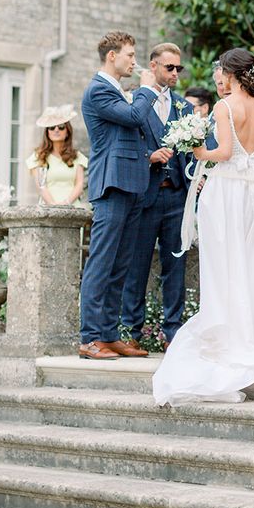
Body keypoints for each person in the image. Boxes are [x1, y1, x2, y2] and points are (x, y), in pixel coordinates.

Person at [151, 48, 254, 406]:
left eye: (222, 74)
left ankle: (235, 334)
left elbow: (224, 152)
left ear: (230, 74)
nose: (221, 80)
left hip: (228, 191)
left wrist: (199, 152)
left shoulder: (225, 107)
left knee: (228, 263)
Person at [79, 31, 155, 360]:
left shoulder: (119, 91)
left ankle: (109, 335)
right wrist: (148, 88)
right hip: (111, 184)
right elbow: (135, 117)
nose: (134, 61)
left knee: (120, 265)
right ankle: (90, 338)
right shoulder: (98, 91)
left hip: (133, 183)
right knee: (101, 262)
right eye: (129, 55)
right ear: (112, 56)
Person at [121, 43, 195, 346]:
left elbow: (193, 154)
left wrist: (197, 180)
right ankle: (131, 331)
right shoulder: (132, 102)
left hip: (177, 197)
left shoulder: (185, 107)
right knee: (136, 266)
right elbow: (123, 146)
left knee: (175, 265)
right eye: (169, 67)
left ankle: (173, 332)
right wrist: (148, 156)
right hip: (144, 196)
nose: (175, 73)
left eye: (179, 68)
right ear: (153, 67)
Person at [26, 105, 88, 207]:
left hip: (73, 208)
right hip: (48, 210)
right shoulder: (38, 156)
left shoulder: (77, 156)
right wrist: (53, 206)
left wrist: (66, 203)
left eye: (61, 126)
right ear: (47, 132)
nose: (56, 130)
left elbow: (79, 184)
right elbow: (41, 186)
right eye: (51, 127)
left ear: (67, 131)